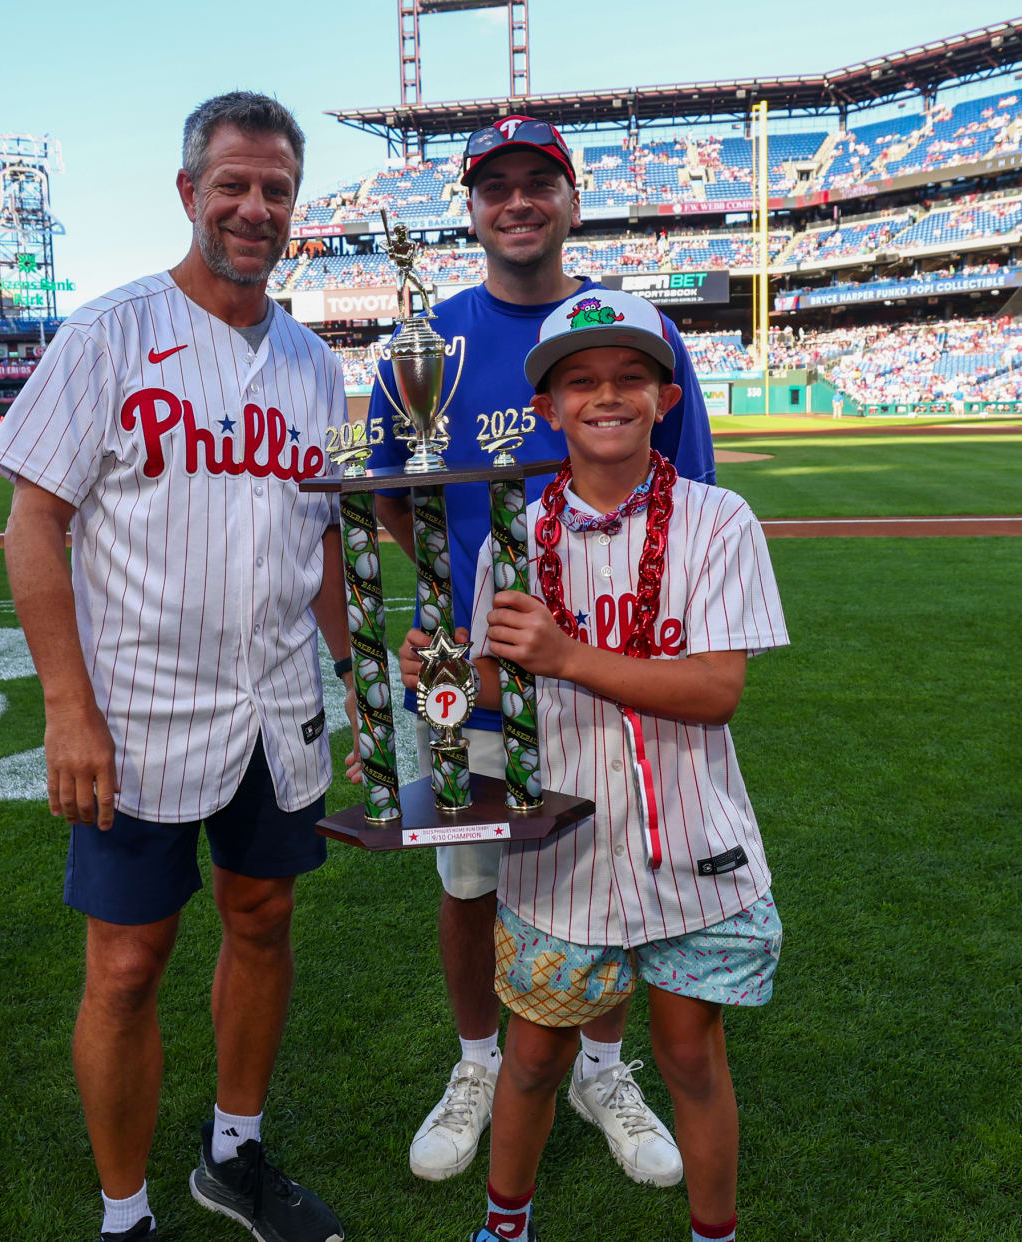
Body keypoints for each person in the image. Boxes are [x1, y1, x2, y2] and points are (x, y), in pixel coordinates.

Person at [0, 91, 353, 1242]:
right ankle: (124, 1214)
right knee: (129, 965)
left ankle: (231, 1157)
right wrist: (66, 709)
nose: (255, 208)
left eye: (277, 189)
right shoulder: (105, 335)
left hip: (277, 705)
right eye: (234, 185)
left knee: (263, 921)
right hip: (137, 712)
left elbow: (325, 538)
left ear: (295, 207)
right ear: (190, 193)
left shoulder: (315, 367)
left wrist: (369, 688)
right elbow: (31, 521)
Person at [366, 114, 715, 1188]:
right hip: (463, 681)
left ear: (571, 200)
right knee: (469, 883)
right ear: (472, 208)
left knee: (606, 880)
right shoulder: (429, 343)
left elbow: (687, 495)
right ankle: (478, 1064)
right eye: (496, 185)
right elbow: (391, 502)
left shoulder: (629, 329)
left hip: (604, 667)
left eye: (538, 182)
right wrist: (452, 605)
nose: (517, 201)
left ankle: (601, 1069)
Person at [430, 289, 789, 1242]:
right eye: (580, 380)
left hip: (692, 849)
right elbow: (495, 695)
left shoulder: (719, 520)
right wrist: (421, 727)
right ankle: (506, 1228)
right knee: (536, 1059)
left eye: (632, 376)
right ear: (545, 407)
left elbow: (715, 690)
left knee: (690, 1057)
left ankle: (717, 1232)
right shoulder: (511, 543)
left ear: (667, 399)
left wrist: (568, 657)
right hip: (563, 862)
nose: (607, 395)